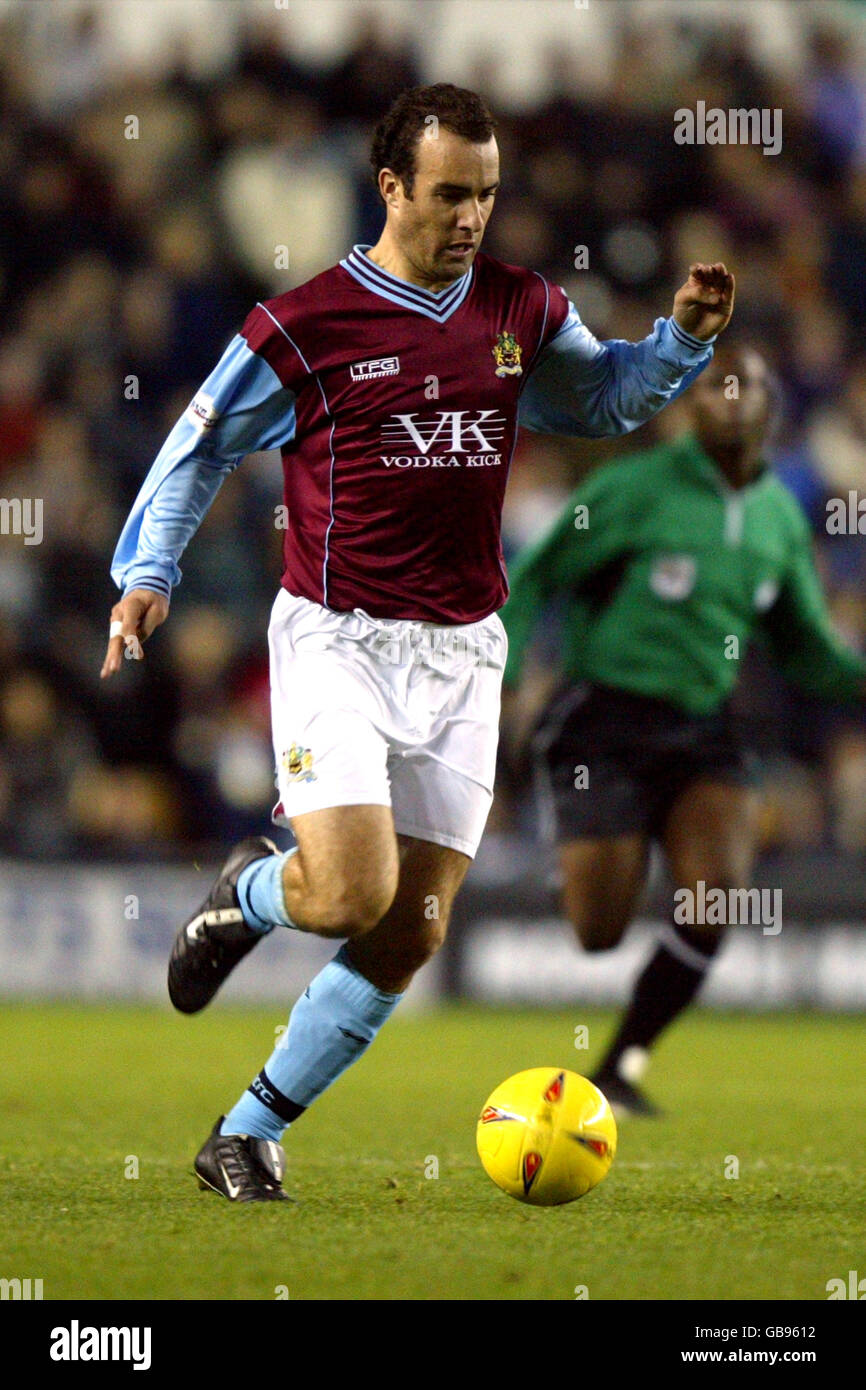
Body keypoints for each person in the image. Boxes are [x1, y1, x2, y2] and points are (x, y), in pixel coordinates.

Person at [101, 83, 734, 1200]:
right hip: (337, 639)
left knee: (409, 931)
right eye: (449, 194)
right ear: (390, 186)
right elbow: (197, 446)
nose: (470, 216)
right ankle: (247, 892)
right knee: (347, 895)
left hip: (461, 653)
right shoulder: (303, 325)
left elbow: (599, 402)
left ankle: (243, 1135)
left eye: (486, 195)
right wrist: (146, 574)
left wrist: (679, 340)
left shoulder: (521, 308)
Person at [500, 344, 866, 1116]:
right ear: (686, 406)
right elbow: (535, 578)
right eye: (713, 383)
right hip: (601, 721)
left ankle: (620, 1066)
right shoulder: (631, 490)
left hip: (704, 727)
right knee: (598, 930)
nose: (731, 394)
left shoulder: (777, 517)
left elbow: (808, 649)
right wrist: (497, 678)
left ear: (774, 405)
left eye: (750, 382)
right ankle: (586, 860)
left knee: (715, 901)